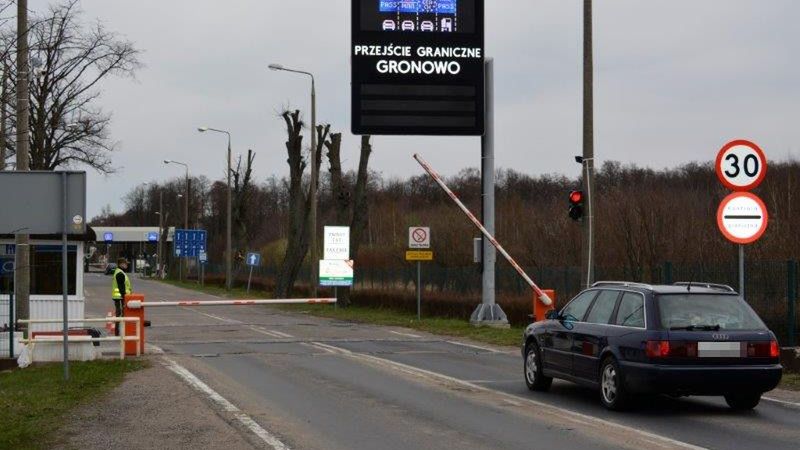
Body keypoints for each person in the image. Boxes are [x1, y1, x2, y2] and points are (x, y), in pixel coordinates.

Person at [112, 257, 132, 336]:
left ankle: (119, 332)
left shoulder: (119, 272)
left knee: (120, 315)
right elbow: (121, 288)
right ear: (121, 264)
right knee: (121, 315)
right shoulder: (120, 273)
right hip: (120, 298)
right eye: (125, 263)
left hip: (119, 297)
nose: (127, 265)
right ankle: (119, 332)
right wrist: (125, 298)